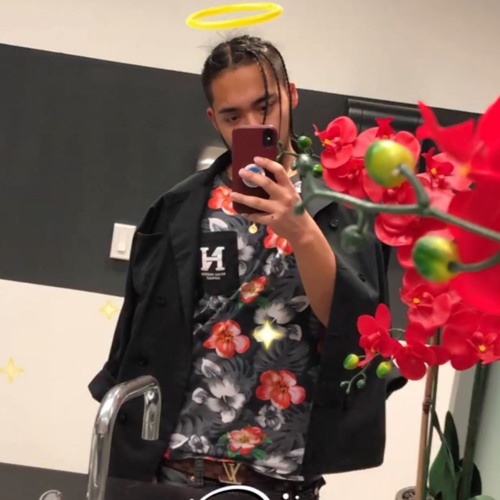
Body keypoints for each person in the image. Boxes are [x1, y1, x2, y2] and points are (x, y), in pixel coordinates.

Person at [89, 35, 403, 500]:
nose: (253, 125)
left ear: (291, 96)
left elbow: (352, 324)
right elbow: (140, 333)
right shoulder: (177, 210)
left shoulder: (345, 206)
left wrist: (301, 231)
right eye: (233, 116)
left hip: (282, 475)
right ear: (213, 119)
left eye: (265, 105)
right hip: (175, 467)